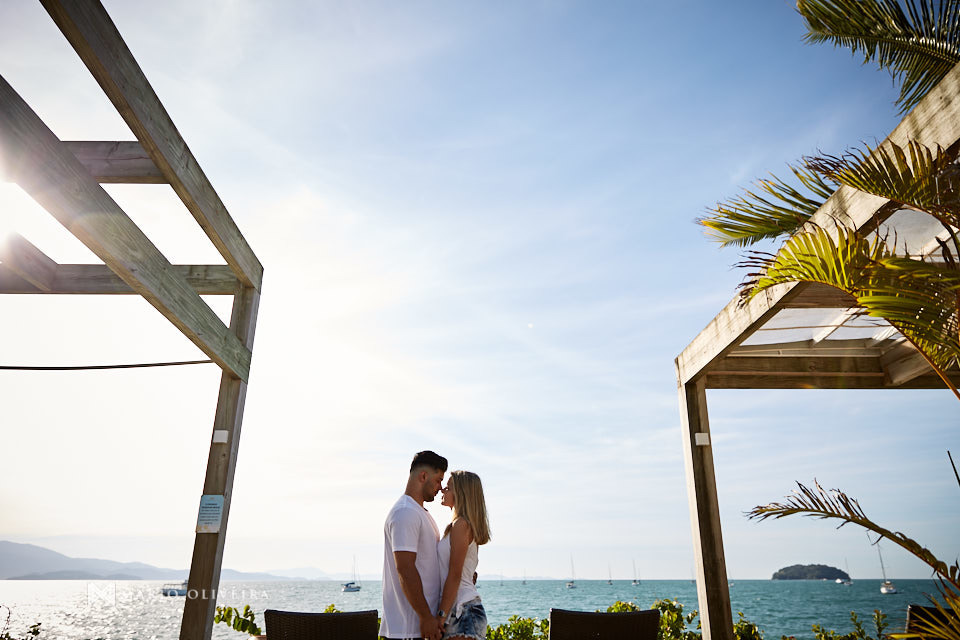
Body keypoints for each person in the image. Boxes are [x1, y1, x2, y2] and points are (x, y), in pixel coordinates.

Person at [381, 451, 448, 640]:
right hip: (407, 630)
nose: (440, 487)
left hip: (419, 628)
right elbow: (405, 568)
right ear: (423, 476)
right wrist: (425, 617)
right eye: (438, 480)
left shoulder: (420, 513)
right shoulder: (405, 512)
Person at [436, 470, 491, 640]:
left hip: (463, 611)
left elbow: (455, 575)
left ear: (461, 494)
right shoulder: (459, 525)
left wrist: (440, 617)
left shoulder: (461, 525)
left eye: (448, 487)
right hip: (461, 610)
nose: (442, 490)